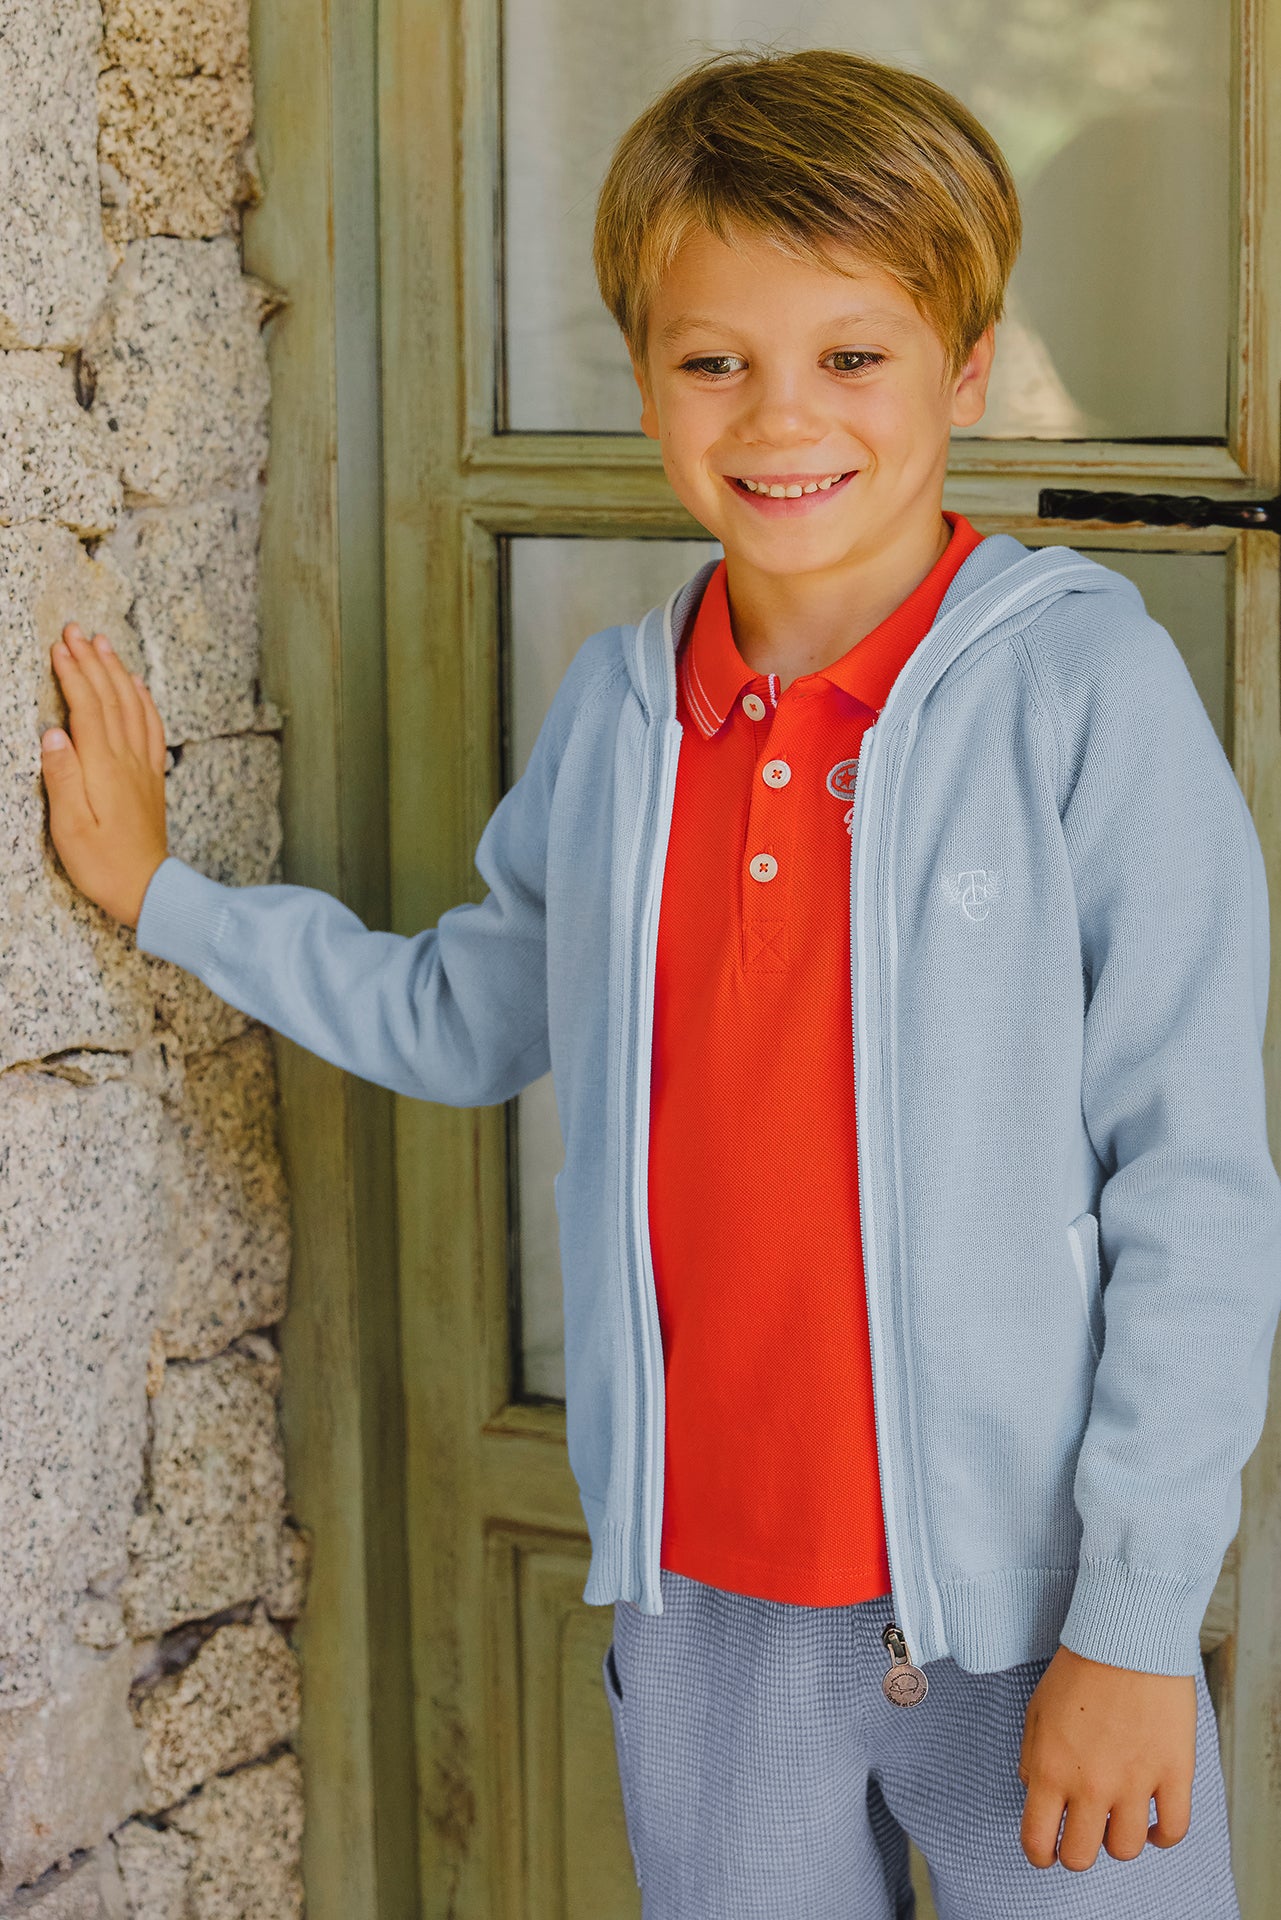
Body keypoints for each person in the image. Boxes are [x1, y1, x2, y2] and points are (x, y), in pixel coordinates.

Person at [39, 42, 1279, 1920]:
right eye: (715, 361)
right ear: (641, 380)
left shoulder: (1078, 692)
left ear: (963, 368)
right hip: (702, 1627)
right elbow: (464, 1013)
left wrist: (1131, 1617)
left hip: (1034, 1625)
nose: (781, 417)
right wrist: (163, 899)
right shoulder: (621, 716)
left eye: (850, 356)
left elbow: (1194, 1190)